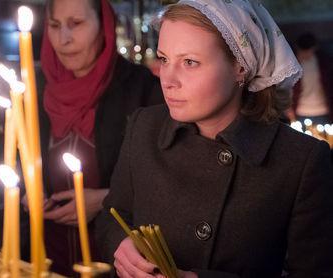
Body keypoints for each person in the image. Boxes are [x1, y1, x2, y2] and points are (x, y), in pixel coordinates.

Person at [96, 0, 333, 277]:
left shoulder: (301, 161)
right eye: (164, 59)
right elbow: (113, 215)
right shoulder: (144, 127)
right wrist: (122, 246)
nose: (167, 79)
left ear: (240, 67)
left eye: (190, 62)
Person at [30, 0, 164, 275]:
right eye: (54, 26)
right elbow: (12, 152)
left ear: (103, 25)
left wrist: (106, 199)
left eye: (76, 24)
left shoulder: (142, 88)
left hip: (116, 259)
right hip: (41, 253)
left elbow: (166, 180)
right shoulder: (34, 85)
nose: (63, 39)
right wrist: (24, 189)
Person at [291, 32, 333, 125]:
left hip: (323, 111)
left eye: (308, 51)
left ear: (314, 48)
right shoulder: (291, 65)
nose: (306, 54)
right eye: (303, 51)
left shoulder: (324, 62)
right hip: (300, 111)